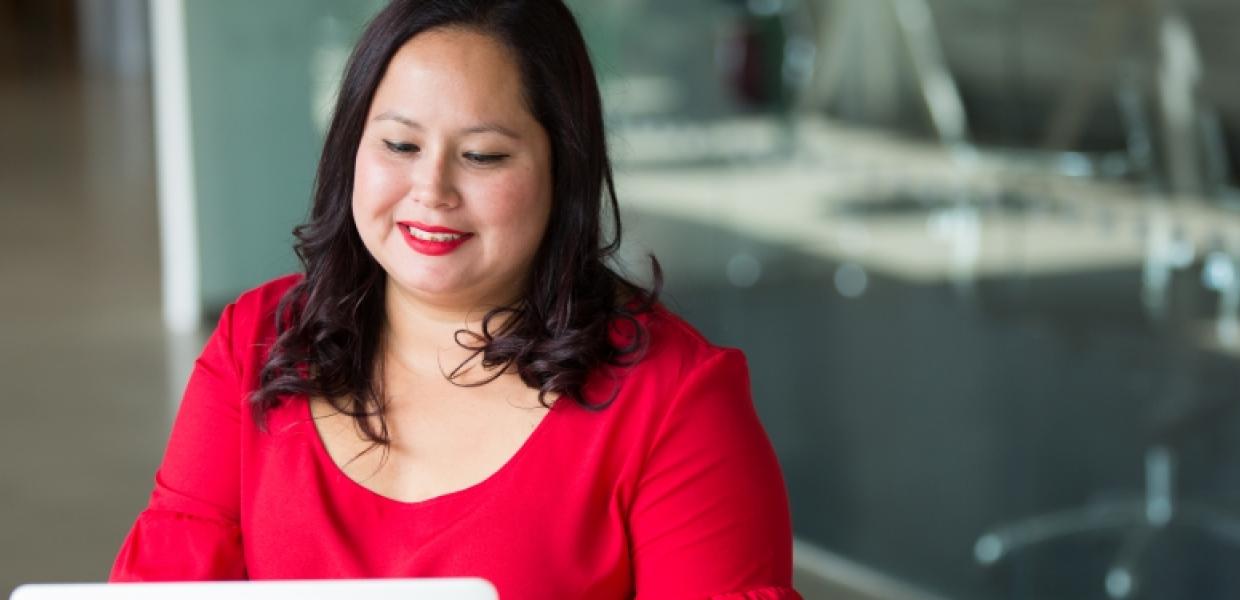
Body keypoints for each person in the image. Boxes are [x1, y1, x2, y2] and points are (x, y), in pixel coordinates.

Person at [110, 1, 799, 598]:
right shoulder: (255, 340)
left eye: (483, 155)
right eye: (401, 144)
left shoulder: (675, 401)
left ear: (564, 168)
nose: (431, 190)